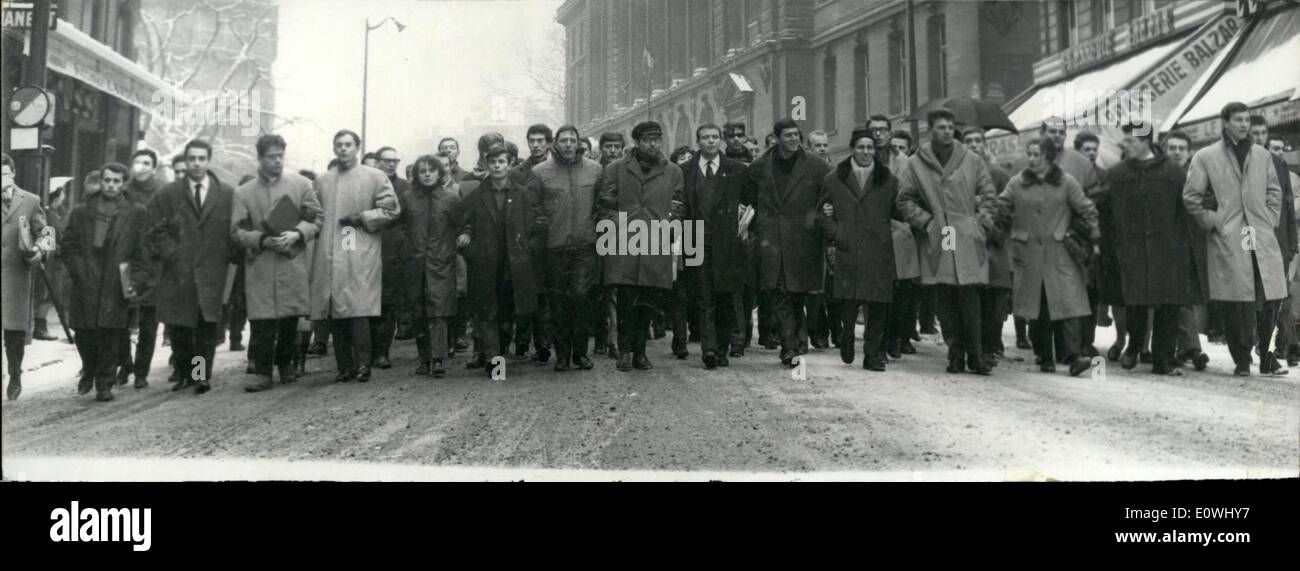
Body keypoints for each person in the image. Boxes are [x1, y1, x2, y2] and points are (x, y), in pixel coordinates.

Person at [1183, 102, 1288, 377]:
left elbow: (1274, 191)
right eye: (1238, 120)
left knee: (1269, 293)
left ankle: (1266, 355)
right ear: (1225, 122)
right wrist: (1215, 222)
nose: (1244, 124)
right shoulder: (1206, 156)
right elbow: (1191, 198)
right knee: (1237, 299)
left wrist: (1270, 219)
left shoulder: (1262, 155)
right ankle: (1242, 359)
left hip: (1258, 233)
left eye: (1246, 120)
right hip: (1231, 235)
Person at [1094, 122, 1203, 376]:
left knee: (1168, 307)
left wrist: (1184, 247)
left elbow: (1186, 212)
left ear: (1145, 142)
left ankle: (1162, 362)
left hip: (1168, 253)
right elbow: (1103, 210)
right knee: (1135, 304)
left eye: (1130, 141)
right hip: (1131, 251)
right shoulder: (1117, 173)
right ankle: (1134, 345)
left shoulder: (1174, 173)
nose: (1124, 145)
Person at [896, 107, 998, 375]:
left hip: (966, 234)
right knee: (946, 297)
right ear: (931, 130)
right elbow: (904, 199)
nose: (947, 132)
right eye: (941, 127)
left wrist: (982, 224)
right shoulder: (916, 163)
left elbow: (988, 194)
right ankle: (955, 354)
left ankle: (975, 355)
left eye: (951, 127)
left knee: (970, 297)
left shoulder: (971, 160)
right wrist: (927, 223)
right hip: (941, 234)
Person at [995, 137, 1099, 376]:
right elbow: (1001, 207)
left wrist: (1093, 239)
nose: (1030, 159)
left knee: (1070, 305)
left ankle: (1074, 356)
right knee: (1038, 306)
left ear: (1049, 157)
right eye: (1029, 154)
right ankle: (1044, 356)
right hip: (1028, 253)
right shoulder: (1017, 182)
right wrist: (1005, 229)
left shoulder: (1066, 182)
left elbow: (1087, 209)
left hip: (1060, 251)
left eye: (1036, 155)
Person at [231, 135, 322, 392]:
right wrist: (261, 240)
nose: (277, 161)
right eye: (272, 157)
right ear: (260, 158)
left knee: (289, 318)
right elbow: (236, 231)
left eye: (281, 155)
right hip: (260, 263)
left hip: (290, 261)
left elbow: (317, 218)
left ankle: (286, 364)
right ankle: (262, 372)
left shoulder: (301, 184)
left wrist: (298, 233)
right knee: (261, 321)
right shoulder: (243, 192)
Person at [309, 130, 400, 384]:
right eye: (339, 145)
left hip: (358, 245)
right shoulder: (324, 181)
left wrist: (362, 218)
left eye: (348, 144)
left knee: (357, 308)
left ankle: (363, 364)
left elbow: (391, 209)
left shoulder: (375, 177)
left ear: (357, 147)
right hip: (330, 249)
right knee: (336, 309)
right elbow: (315, 214)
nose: (343, 149)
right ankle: (344, 366)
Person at [149, 139, 236, 395]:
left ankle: (200, 376)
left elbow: (234, 229)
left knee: (206, 329)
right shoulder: (168, 193)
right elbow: (156, 229)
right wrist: (172, 253)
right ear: (186, 161)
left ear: (208, 161)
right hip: (179, 272)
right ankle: (185, 373)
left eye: (201, 158)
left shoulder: (227, 194)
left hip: (212, 272)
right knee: (180, 329)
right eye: (192, 159)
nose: (196, 163)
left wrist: (225, 257)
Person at [596, 121, 685, 371]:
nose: (652, 144)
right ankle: (624, 351)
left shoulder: (673, 172)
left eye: (657, 139)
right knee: (626, 299)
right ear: (636, 142)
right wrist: (620, 228)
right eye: (647, 140)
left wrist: (668, 229)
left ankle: (640, 353)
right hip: (624, 244)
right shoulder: (616, 170)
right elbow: (605, 205)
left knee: (648, 300)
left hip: (656, 244)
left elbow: (678, 206)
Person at [62, 162, 152, 401]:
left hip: (116, 281)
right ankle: (89, 368)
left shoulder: (136, 212)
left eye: (116, 181)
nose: (111, 185)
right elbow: (68, 245)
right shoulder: (81, 211)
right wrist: (79, 271)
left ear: (123, 184)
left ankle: (104, 383)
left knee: (111, 335)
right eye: (107, 180)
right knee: (83, 333)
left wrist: (136, 280)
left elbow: (142, 251)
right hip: (86, 280)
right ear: (101, 181)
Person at [746, 117, 832, 368]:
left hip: (804, 242)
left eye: (796, 134)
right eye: (788, 135)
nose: (794, 139)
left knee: (799, 295)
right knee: (780, 292)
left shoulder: (817, 166)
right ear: (776, 139)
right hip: (772, 242)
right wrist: (759, 228)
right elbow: (750, 201)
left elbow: (828, 197)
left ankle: (797, 338)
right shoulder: (760, 167)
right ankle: (789, 347)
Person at [459, 143, 543, 376]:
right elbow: (464, 225)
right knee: (487, 313)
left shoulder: (522, 195)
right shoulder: (475, 196)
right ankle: (495, 363)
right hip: (485, 265)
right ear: (485, 165)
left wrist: (526, 252)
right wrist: (471, 251)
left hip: (513, 266)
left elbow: (537, 227)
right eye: (492, 162)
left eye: (502, 162)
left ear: (509, 164)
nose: (497, 166)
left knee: (507, 316)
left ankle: (499, 352)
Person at [822, 128, 900, 371]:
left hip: (879, 249)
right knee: (848, 302)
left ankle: (872, 355)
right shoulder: (834, 178)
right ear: (852, 149)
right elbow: (821, 212)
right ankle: (847, 340)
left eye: (869, 148)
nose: (865, 152)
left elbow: (897, 211)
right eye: (861, 147)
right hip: (848, 247)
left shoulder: (888, 179)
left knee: (877, 306)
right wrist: (836, 232)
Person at [532, 125, 603, 371]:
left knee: (581, 298)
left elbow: (602, 205)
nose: (569, 144)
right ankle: (562, 354)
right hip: (554, 246)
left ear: (579, 143)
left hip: (585, 246)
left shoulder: (594, 170)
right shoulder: (540, 172)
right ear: (556, 143)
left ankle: (580, 353)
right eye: (564, 140)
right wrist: (544, 223)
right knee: (558, 302)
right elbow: (534, 208)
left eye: (573, 139)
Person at [682, 123, 748, 369]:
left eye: (714, 137)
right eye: (705, 138)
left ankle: (721, 348)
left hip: (727, 243)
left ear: (721, 140)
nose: (711, 141)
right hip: (695, 240)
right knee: (702, 296)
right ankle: (709, 350)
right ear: (697, 141)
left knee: (724, 297)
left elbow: (750, 202)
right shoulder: (685, 170)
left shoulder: (736, 170)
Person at [399, 155, 463, 377]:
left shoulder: (450, 199)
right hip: (415, 263)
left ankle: (438, 359)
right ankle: (424, 359)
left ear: (439, 173)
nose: (426, 174)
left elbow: (463, 225)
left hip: (441, 263)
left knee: (439, 311)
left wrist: (462, 237)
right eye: (422, 170)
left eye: (431, 170)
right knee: (418, 311)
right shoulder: (407, 199)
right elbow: (399, 226)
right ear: (416, 175)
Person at [113, 149, 167, 387]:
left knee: (148, 321)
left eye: (146, 163)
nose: (141, 167)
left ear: (153, 167)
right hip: (126, 263)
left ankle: (142, 372)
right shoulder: (123, 192)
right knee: (122, 318)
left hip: (154, 264)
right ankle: (124, 364)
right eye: (137, 162)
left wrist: (161, 250)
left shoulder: (163, 193)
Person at [1250, 117, 1298, 371]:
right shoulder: (1246, 165)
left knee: (1272, 303)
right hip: (1253, 243)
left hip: (1278, 246)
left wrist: (1292, 245)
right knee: (1252, 301)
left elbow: (1288, 207)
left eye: (1262, 133)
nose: (1259, 137)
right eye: (1254, 133)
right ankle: (1244, 349)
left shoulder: (1280, 166)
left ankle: (1267, 355)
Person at [962, 127, 1013, 368]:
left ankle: (991, 345)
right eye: (968, 141)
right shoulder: (956, 175)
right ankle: (973, 348)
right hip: (967, 246)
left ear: (984, 145)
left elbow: (1008, 209)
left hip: (994, 245)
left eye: (977, 141)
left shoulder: (999, 174)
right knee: (971, 299)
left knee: (995, 300)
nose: (973, 145)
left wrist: (994, 227)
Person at [1162, 130, 1212, 371]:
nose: (1177, 152)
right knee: (1172, 301)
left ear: (1189, 152)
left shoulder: (1197, 176)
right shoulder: (1158, 176)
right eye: (1172, 147)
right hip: (1163, 248)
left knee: (1185, 299)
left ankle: (1186, 348)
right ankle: (1189, 348)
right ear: (1165, 150)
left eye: (1182, 148)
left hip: (1190, 247)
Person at [1, 153, 50, 400]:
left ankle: (15, 373)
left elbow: (47, 233)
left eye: (4, 174)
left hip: (16, 275)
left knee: (14, 331)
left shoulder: (30, 201)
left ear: (13, 174)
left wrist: (40, 250)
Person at [510, 125, 554, 363]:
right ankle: (523, 340)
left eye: (540, 141)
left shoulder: (557, 168)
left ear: (549, 142)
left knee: (546, 293)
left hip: (552, 238)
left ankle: (544, 342)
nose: (536, 145)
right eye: (532, 141)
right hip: (527, 239)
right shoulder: (518, 172)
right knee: (526, 291)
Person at [369, 145, 410, 370]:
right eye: (387, 160)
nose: (392, 164)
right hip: (367, 251)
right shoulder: (368, 184)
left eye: (395, 160)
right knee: (367, 304)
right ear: (377, 161)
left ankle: (382, 352)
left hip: (393, 252)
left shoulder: (405, 188)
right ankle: (365, 351)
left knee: (389, 304)